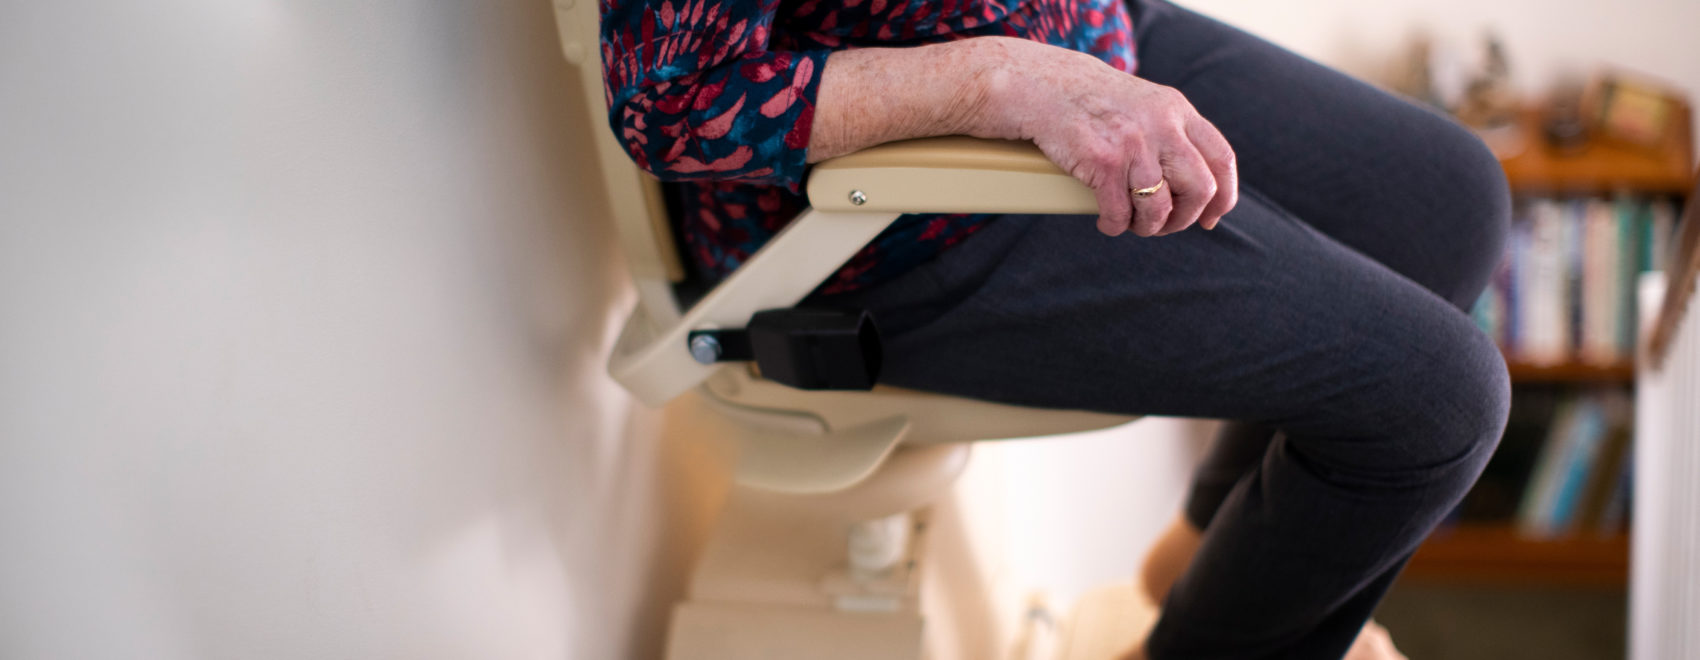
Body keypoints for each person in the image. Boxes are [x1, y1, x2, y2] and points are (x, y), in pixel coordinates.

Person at [599, 0, 1511, 657]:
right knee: (1439, 403)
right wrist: (1000, 80)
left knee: (1449, 202)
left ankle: (1203, 559)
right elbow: (676, 101)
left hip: (1085, 35)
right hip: (904, 217)